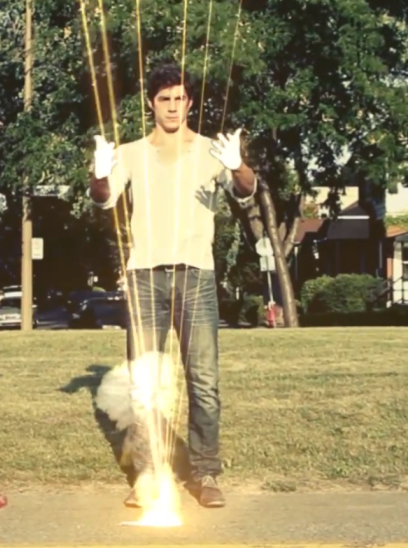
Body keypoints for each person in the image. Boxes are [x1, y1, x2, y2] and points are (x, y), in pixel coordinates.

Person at [89, 62, 257, 508]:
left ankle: (205, 473)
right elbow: (104, 199)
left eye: (179, 98)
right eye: (163, 99)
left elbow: (245, 190)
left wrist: (238, 164)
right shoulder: (131, 153)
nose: (171, 106)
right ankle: (148, 475)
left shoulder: (210, 151)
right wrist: (99, 174)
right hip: (145, 277)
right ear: (151, 103)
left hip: (196, 276)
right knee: (144, 383)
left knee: (204, 381)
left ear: (190, 103)